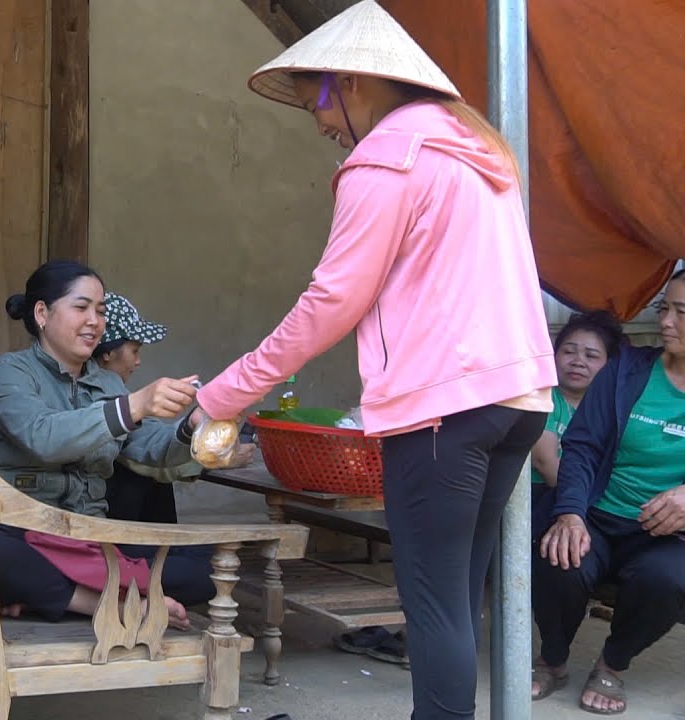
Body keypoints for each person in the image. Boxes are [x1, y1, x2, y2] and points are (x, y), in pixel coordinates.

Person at [191, 3, 556, 717]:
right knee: (455, 599)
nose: (322, 127)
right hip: (516, 403)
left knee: (434, 608)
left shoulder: (386, 158)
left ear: (351, 83)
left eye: (316, 107)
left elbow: (331, 302)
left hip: (441, 411)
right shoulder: (476, 151)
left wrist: (225, 395)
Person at [0, 261, 214, 629]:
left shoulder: (108, 385)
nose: (94, 321)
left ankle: (44, 595)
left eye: (100, 311)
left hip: (92, 540)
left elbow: (147, 445)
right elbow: (44, 437)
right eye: (81, 307)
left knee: (209, 567)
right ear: (42, 313)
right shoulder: (10, 373)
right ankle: (101, 601)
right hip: (25, 534)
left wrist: (191, 429)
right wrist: (134, 405)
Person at [531, 269, 685, 714]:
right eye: (664, 309)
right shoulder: (625, 372)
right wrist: (572, 514)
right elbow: (580, 448)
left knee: (666, 580)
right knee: (558, 556)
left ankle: (612, 665)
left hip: (668, 536)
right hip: (600, 515)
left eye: (681, 312)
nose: (666, 322)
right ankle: (553, 660)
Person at [94, 291, 255, 523]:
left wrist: (195, 431)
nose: (138, 361)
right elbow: (143, 455)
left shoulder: (111, 390)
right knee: (144, 477)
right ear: (108, 352)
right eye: (135, 350)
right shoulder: (98, 397)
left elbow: (147, 439)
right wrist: (215, 458)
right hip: (98, 525)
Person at [529, 311, 624, 497]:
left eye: (591, 356)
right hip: (544, 496)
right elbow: (545, 462)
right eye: (569, 352)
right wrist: (580, 505)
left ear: (610, 365)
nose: (578, 362)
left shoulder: (613, 407)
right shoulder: (543, 397)